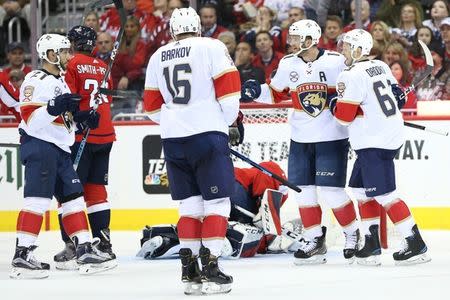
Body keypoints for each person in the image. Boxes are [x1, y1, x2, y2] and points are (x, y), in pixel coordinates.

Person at [240, 19, 360, 265]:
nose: (290, 42)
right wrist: (255, 92)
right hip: (300, 138)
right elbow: (275, 92)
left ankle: (353, 233)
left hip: (332, 137)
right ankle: (315, 239)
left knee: (332, 191)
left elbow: (355, 89)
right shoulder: (287, 64)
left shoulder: (337, 62)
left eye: (295, 38)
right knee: (304, 192)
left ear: (309, 40)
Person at [143, 7, 241, 295]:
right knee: (218, 204)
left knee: (189, 207)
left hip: (173, 139)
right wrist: (223, 122)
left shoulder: (157, 55)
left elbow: (150, 108)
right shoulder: (211, 46)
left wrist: (177, 119)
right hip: (207, 134)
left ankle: (189, 271)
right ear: (198, 27)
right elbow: (230, 91)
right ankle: (211, 268)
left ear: (173, 30)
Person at [10, 33, 115, 279]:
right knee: (37, 201)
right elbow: (31, 118)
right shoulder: (35, 79)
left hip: (59, 148)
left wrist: (81, 119)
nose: (69, 55)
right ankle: (22, 254)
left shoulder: (61, 82)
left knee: (74, 200)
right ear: (50, 55)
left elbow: (62, 122)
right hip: (40, 147)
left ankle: (85, 249)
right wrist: (53, 107)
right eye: (64, 51)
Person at [330, 29, 431, 266]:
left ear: (357, 50)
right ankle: (371, 243)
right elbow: (396, 95)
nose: (342, 50)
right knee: (360, 190)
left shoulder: (350, 75)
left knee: (385, 194)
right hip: (383, 136)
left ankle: (415, 243)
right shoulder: (381, 66)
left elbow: (343, 119)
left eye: (346, 46)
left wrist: (334, 103)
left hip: (374, 140)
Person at [137, 162, 302, 259]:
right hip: (233, 190)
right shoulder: (280, 184)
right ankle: (230, 239)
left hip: (210, 190)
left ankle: (163, 238)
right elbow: (269, 172)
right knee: (254, 236)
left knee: (200, 229)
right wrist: (272, 234)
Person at [51, 26, 117, 270]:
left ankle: (72, 244)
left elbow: (69, 101)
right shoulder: (103, 67)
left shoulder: (70, 64)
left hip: (80, 135)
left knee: (69, 193)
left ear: (74, 43)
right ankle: (104, 245)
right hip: (105, 133)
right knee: (97, 192)